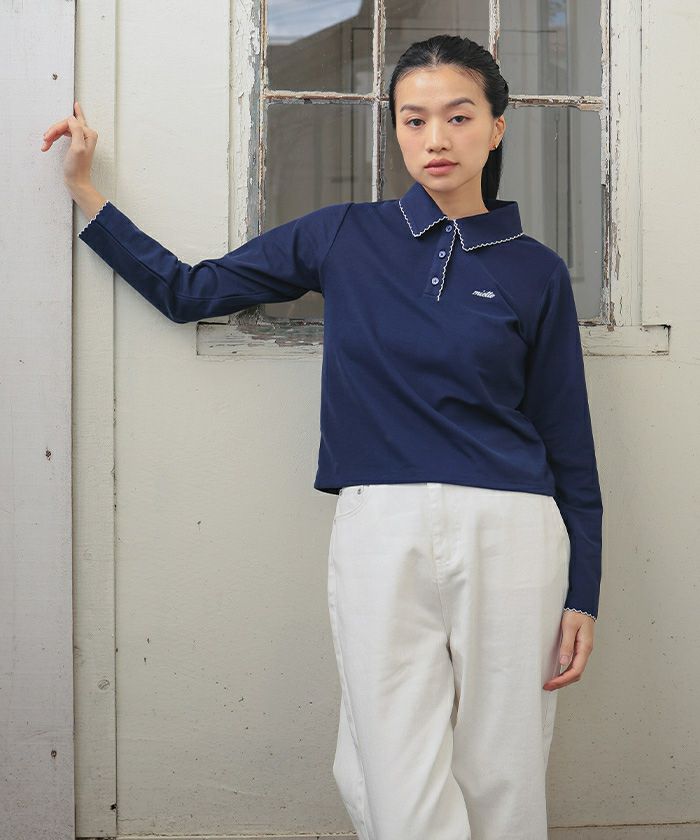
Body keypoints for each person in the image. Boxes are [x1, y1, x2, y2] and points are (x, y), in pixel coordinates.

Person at [41, 33, 603, 840]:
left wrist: (584, 589)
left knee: (504, 767)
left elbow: (567, 438)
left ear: (497, 127)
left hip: (513, 529)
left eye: (458, 116)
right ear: (395, 128)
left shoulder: (535, 269)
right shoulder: (343, 235)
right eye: (413, 119)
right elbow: (191, 291)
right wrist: (85, 189)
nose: (435, 139)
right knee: (390, 763)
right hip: (381, 524)